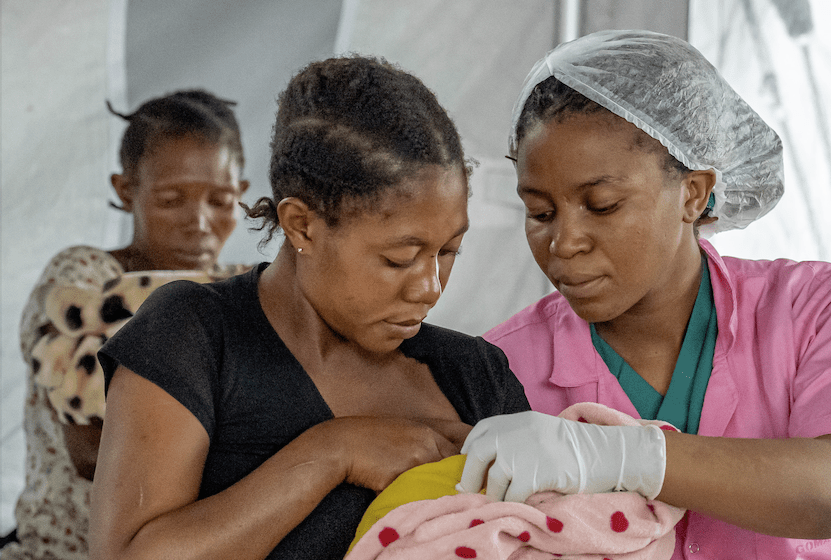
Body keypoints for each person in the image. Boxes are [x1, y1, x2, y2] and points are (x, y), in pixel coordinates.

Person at [458, 30, 831, 559]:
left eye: (602, 204)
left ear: (693, 193)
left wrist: (622, 457)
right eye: (540, 212)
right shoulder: (497, 368)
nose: (564, 243)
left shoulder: (824, 310)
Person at [87, 55, 530, 560]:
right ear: (301, 225)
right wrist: (333, 452)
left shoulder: (475, 376)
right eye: (399, 258)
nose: (429, 287)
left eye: (448, 251)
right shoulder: (195, 336)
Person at [2, 89, 251, 560]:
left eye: (220, 200)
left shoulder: (244, 287)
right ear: (125, 189)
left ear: (242, 195)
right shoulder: (83, 281)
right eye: (171, 199)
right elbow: (95, 453)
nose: (198, 222)